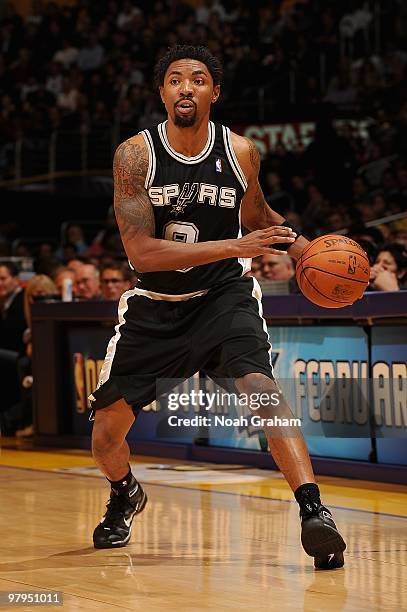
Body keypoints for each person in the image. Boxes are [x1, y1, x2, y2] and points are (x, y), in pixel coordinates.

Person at [89, 45, 346, 569]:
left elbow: (254, 214)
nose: (187, 87)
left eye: (198, 79)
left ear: (214, 92)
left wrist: (299, 247)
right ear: (162, 92)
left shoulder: (242, 152)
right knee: (106, 433)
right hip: (155, 305)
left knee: (262, 391)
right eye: (176, 79)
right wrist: (236, 246)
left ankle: (314, 512)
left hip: (223, 297)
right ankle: (125, 493)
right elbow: (140, 250)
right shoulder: (135, 156)